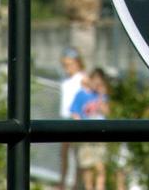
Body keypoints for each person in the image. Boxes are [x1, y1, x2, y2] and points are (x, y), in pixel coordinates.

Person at [59, 49, 85, 190]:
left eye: (69, 64)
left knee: (77, 155)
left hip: (76, 119)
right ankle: (62, 182)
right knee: (64, 154)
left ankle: (76, 184)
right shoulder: (66, 79)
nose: (67, 67)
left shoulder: (82, 78)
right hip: (65, 118)